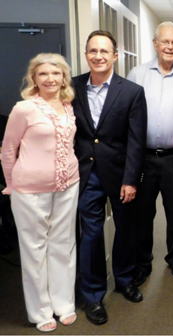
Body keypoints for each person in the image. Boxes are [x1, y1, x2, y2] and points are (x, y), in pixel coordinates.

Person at [72, 30, 147, 325]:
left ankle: (125, 279)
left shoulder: (131, 91)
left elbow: (136, 140)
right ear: (87, 54)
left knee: (125, 229)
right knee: (90, 236)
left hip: (120, 175)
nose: (98, 56)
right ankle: (92, 296)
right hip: (86, 174)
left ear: (115, 56)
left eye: (105, 51)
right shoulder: (72, 87)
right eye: (93, 51)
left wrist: (131, 179)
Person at [1, 53, 79, 332]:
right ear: (33, 78)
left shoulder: (68, 105)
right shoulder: (24, 109)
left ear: (63, 77)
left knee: (63, 246)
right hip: (29, 190)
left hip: (68, 184)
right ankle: (41, 311)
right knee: (34, 251)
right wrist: (11, 184)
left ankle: (64, 304)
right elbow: (8, 150)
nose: (50, 79)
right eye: (43, 74)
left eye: (56, 73)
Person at [127, 21, 173, 285]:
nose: (170, 47)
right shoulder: (137, 73)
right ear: (155, 44)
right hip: (143, 157)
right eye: (165, 42)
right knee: (142, 213)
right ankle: (143, 262)